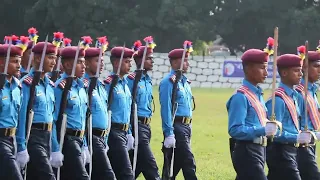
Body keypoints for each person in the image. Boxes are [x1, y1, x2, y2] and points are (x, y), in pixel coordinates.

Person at [227, 38, 279, 180]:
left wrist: (270, 126)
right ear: (249, 69)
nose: (266, 73)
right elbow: (235, 129)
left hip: (260, 149)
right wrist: (263, 130)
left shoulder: (258, 95)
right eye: (262, 68)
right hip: (247, 150)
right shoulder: (241, 96)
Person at [17, 39, 60, 180]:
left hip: (46, 137)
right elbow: (22, 117)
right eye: (50, 58)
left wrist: (55, 147)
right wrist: (21, 146)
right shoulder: (27, 84)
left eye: (54, 58)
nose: (53, 62)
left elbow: (51, 120)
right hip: (33, 136)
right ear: (36, 58)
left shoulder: (50, 85)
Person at [266, 52, 312, 180]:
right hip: (280, 151)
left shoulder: (295, 97)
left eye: (301, 70)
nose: (301, 74)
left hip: (293, 150)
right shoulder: (278, 100)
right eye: (296, 71)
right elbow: (272, 133)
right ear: (284, 73)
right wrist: (296, 137)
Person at [159, 42, 198, 180]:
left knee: (174, 165)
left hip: (186, 126)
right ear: (175, 62)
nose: (187, 63)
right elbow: (166, 109)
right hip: (177, 127)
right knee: (189, 162)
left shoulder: (185, 82)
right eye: (184, 60)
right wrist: (169, 133)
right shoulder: (168, 82)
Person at [51, 45, 89, 180]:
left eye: (84, 62)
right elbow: (53, 121)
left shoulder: (82, 87)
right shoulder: (60, 87)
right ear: (67, 64)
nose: (84, 66)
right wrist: (55, 149)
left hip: (80, 139)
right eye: (79, 62)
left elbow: (83, 119)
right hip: (68, 140)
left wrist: (84, 145)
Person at [127, 38, 160, 180]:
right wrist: (129, 131)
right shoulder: (131, 80)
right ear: (139, 60)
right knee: (151, 165)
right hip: (136, 125)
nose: (152, 61)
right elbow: (127, 106)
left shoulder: (147, 80)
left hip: (147, 125)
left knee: (137, 164)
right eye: (149, 59)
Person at [83, 45, 116, 179]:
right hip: (91, 137)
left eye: (102, 60)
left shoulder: (101, 86)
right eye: (97, 61)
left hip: (102, 138)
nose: (101, 64)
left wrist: (106, 141)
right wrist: (84, 144)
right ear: (86, 63)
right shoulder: (84, 85)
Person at [104, 46, 134, 180]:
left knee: (116, 171)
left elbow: (127, 112)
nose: (130, 64)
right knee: (127, 174)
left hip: (124, 132)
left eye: (130, 61)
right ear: (116, 63)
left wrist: (129, 133)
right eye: (127, 61)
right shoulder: (109, 84)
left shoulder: (125, 84)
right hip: (114, 133)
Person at [0, 41, 25, 180]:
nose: (19, 65)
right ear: (2, 63)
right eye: (15, 61)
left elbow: (21, 118)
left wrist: (21, 146)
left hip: (12, 140)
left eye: (20, 61)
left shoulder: (18, 87)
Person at [295, 48, 320, 180]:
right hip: (301, 145)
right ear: (304, 67)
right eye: (316, 66)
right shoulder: (299, 93)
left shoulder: (312, 91)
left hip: (312, 143)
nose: (319, 70)